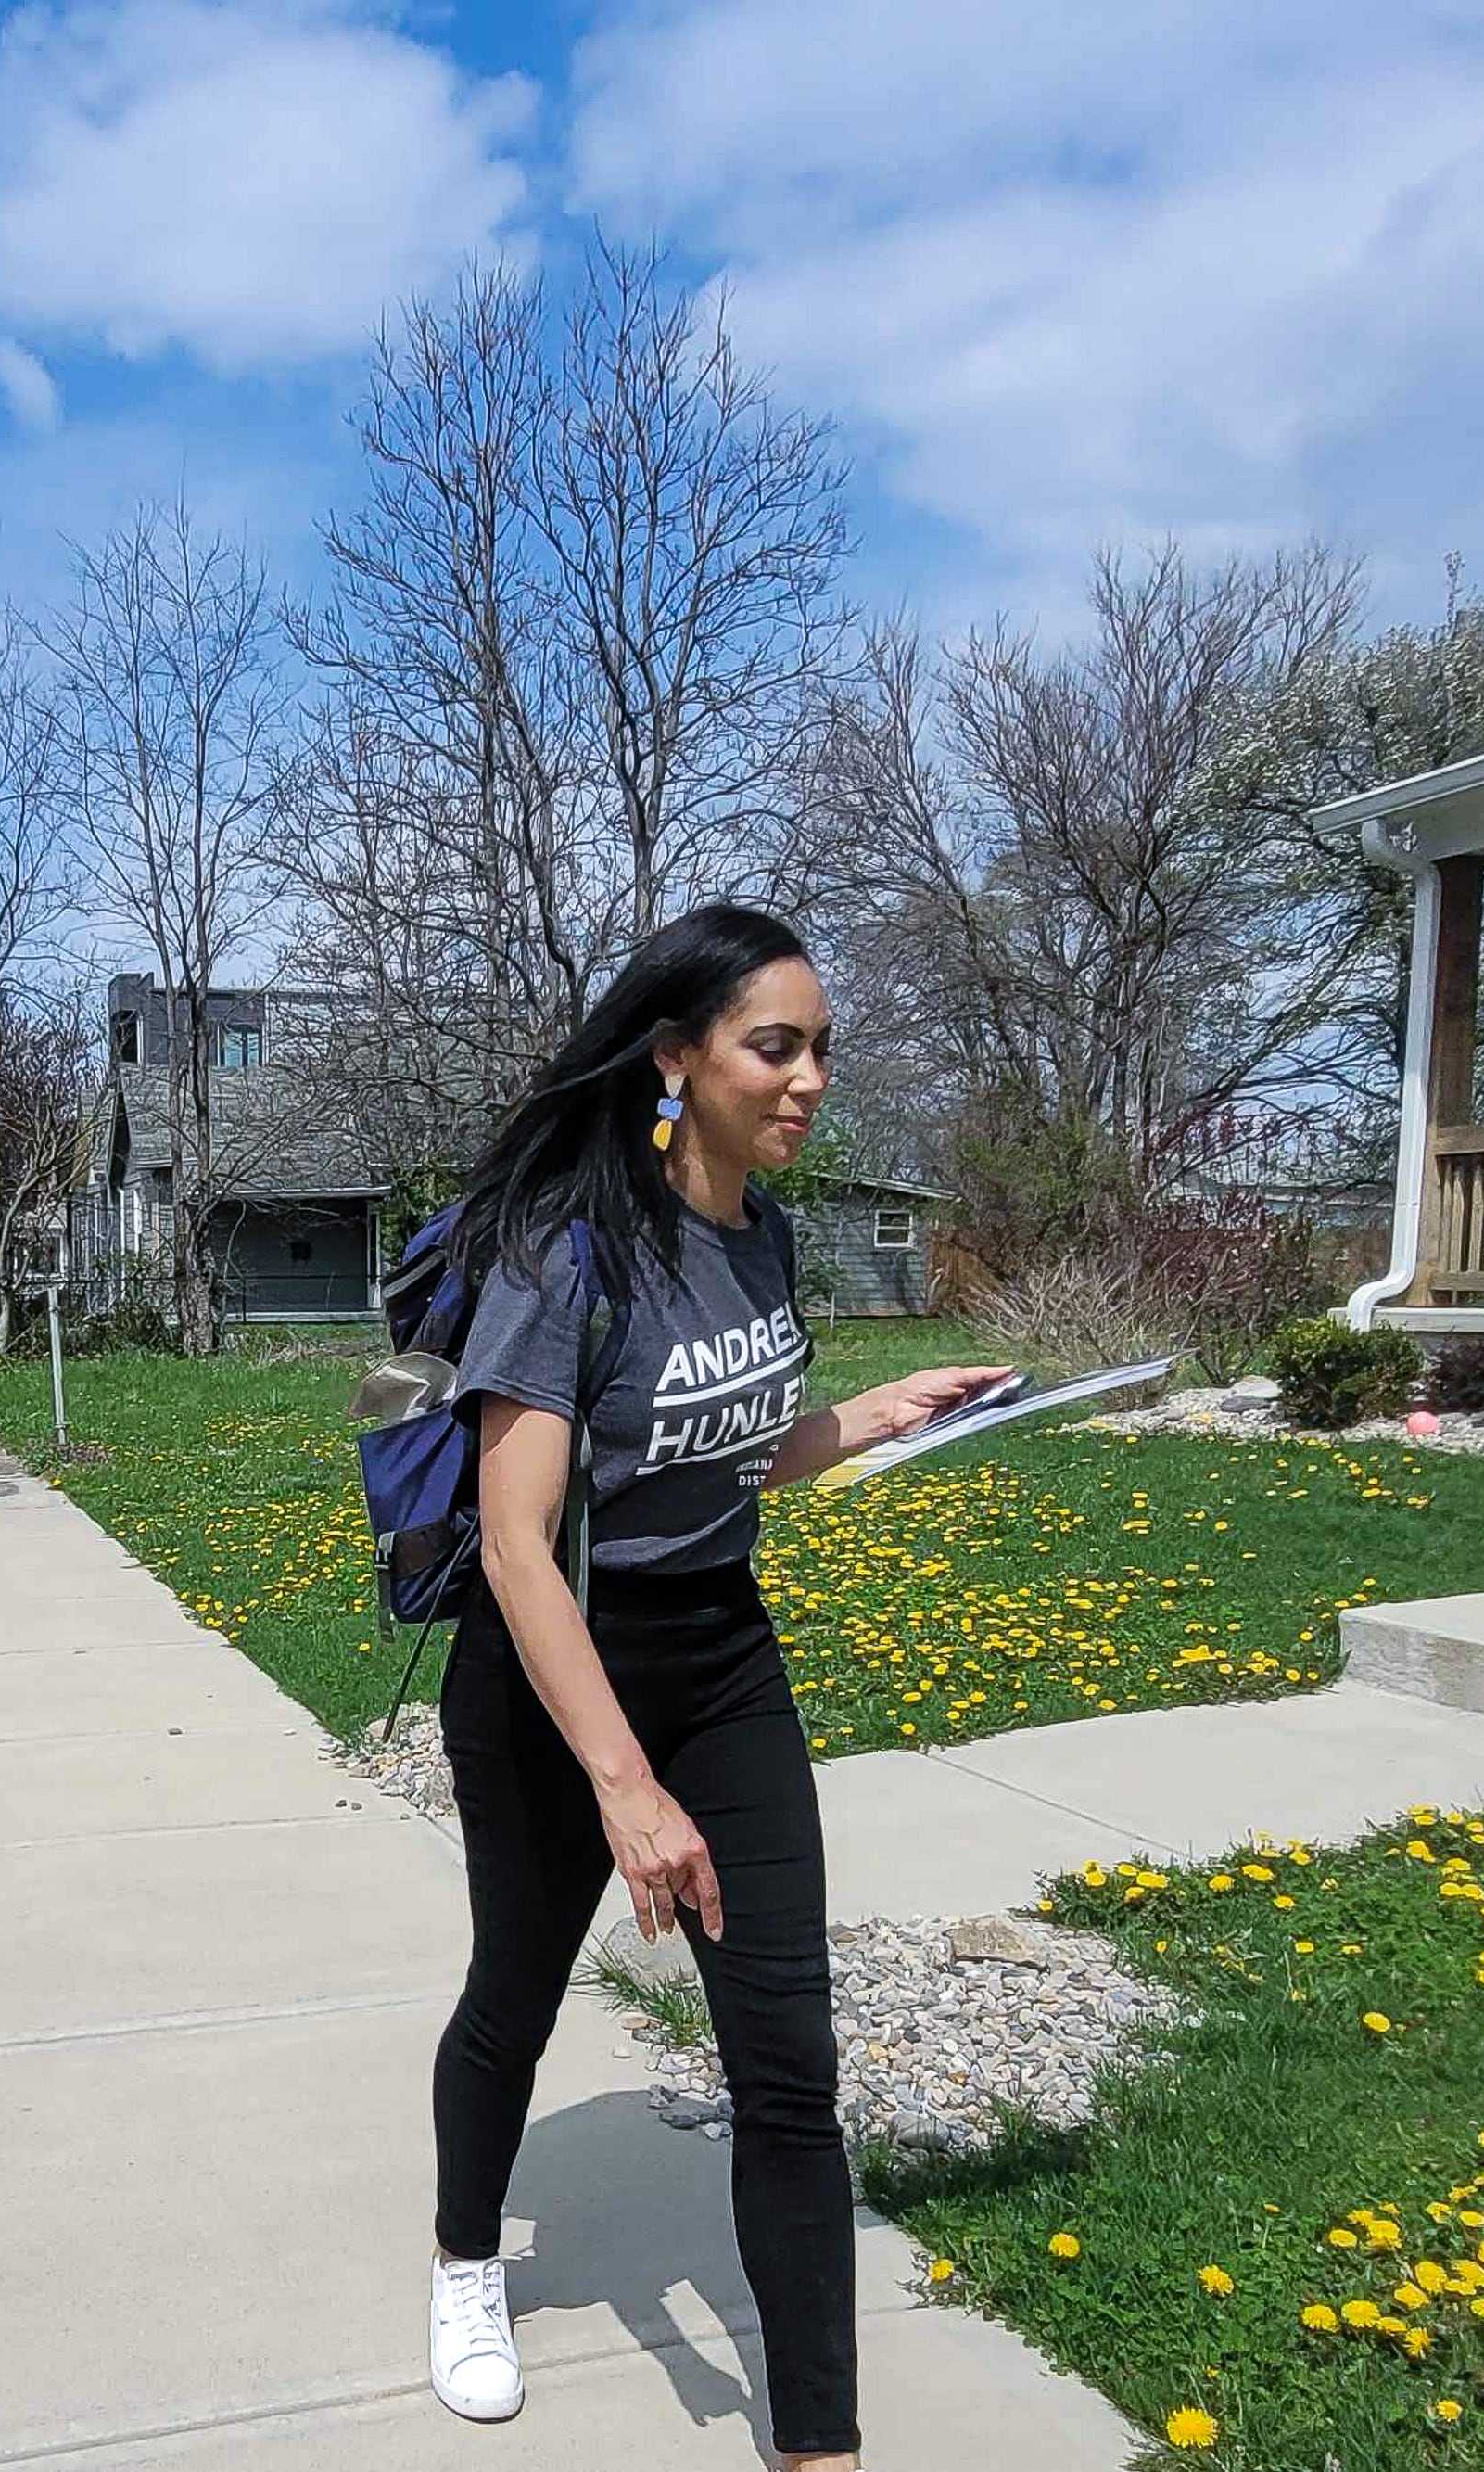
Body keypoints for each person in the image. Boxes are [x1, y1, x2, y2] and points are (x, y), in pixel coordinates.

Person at [425, 902, 1007, 2467]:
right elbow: (518, 1544)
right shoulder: (570, 1246)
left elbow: (726, 1450)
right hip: (555, 1677)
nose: (812, 1077)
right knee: (516, 1996)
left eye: (822, 1048)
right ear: (677, 1060)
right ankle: (469, 2258)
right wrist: (626, 1785)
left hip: (722, 1655)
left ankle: (820, 2442)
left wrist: (875, 1411)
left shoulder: (766, 1231)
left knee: (789, 2062)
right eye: (778, 1046)